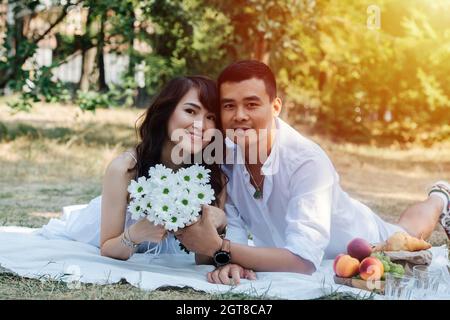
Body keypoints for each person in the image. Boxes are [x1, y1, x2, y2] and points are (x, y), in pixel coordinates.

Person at [175, 60, 450, 285]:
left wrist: (220, 249)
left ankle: (440, 196)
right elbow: (233, 225)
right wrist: (231, 261)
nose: (240, 115)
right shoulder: (228, 158)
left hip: (364, 239)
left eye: (252, 104)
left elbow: (303, 262)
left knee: (406, 233)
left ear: (276, 107)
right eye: (229, 106)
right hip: (282, 247)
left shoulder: (306, 161)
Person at [40, 76, 229, 262]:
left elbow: (203, 263)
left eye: (211, 117)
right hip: (111, 236)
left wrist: (219, 225)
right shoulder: (124, 169)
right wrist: (136, 233)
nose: (201, 125)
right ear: (166, 112)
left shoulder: (213, 176)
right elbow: (107, 249)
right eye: (190, 111)